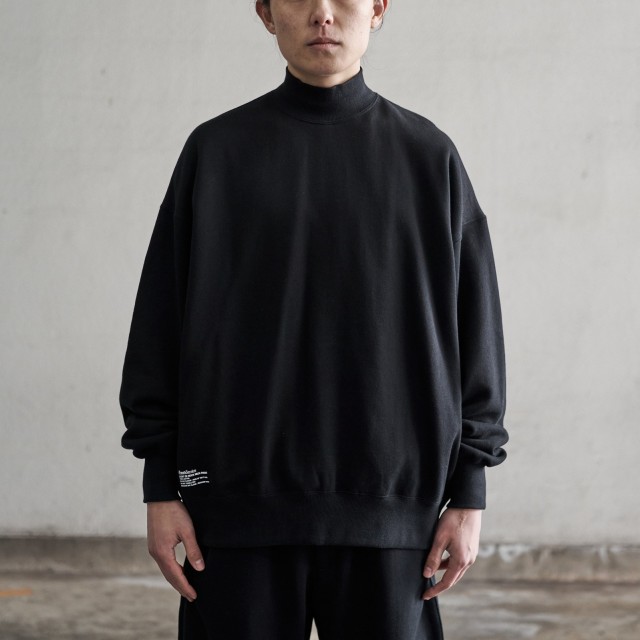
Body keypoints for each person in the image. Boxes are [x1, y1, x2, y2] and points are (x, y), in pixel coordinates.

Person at [118, 1, 509, 638]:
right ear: (266, 13)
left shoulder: (427, 157)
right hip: (234, 514)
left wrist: (470, 490)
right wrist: (161, 484)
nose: (322, 14)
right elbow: (159, 326)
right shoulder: (216, 153)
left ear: (378, 9)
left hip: (391, 517)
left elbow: (477, 333)